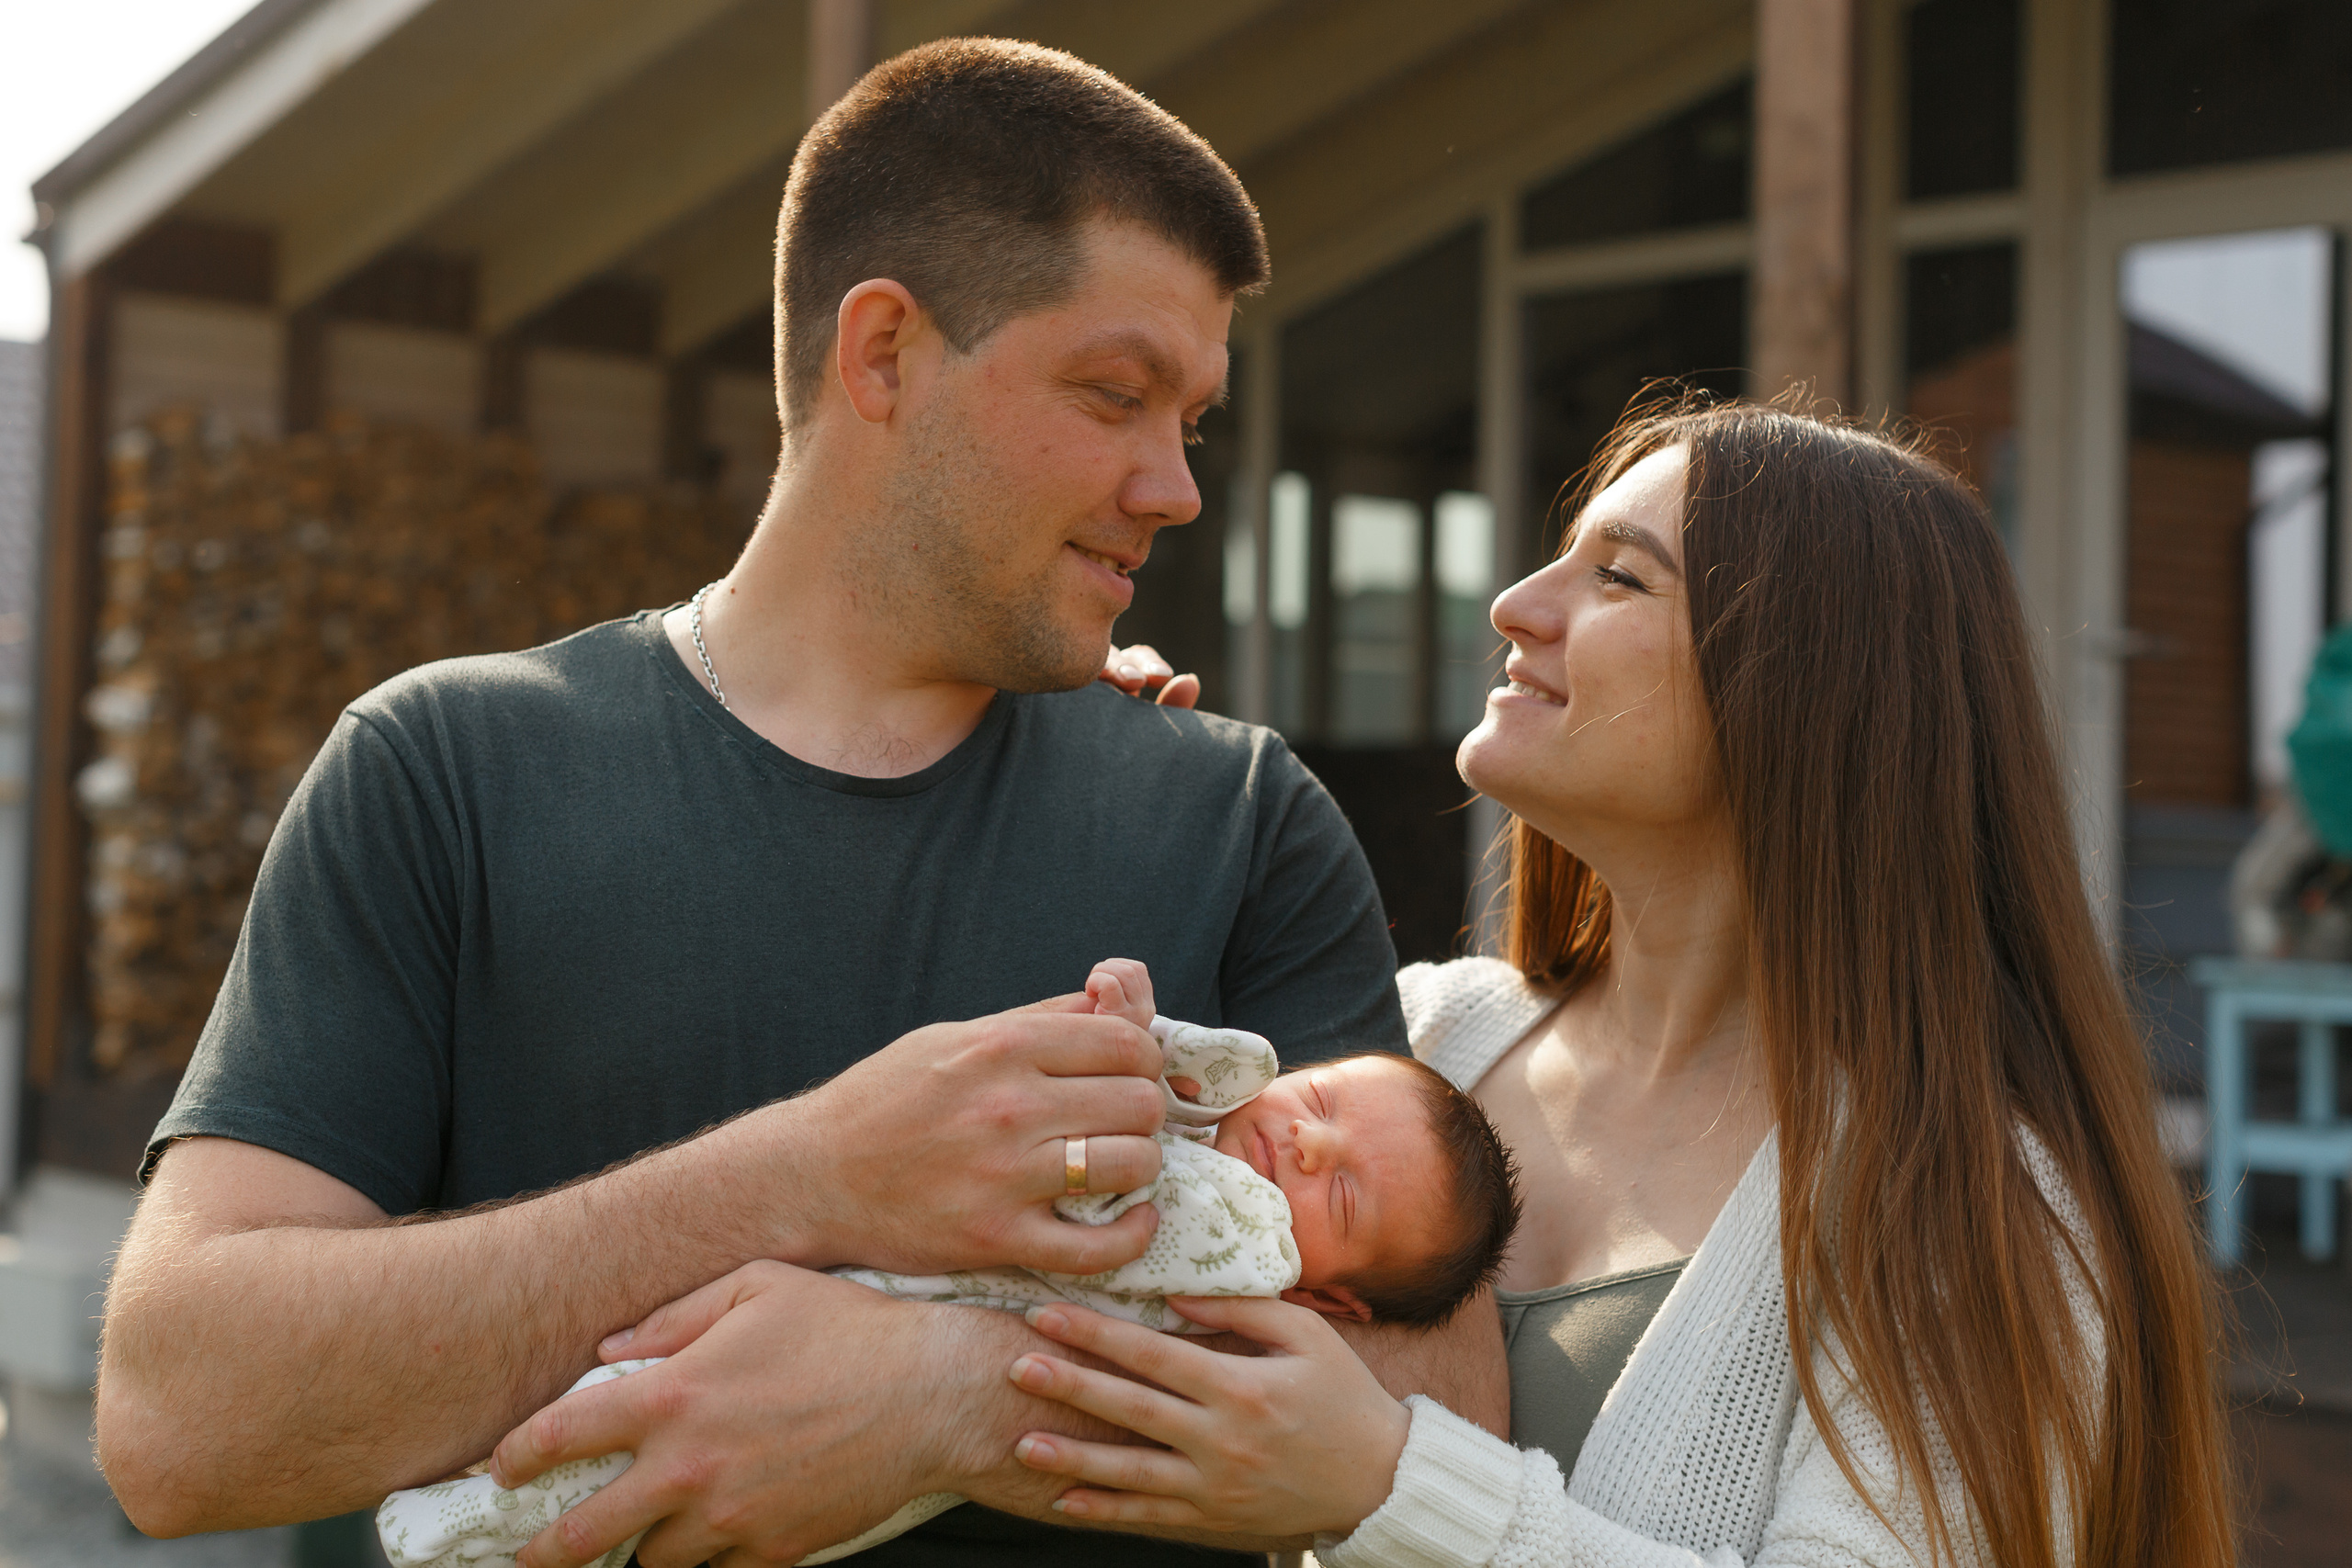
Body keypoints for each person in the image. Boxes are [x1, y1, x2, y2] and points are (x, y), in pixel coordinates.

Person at [94, 39, 1506, 1568]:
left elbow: (1441, 1430)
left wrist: (954, 1402)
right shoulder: (445, 770)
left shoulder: (1240, 820)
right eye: (1116, 393)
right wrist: (804, 1177)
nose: (1176, 485)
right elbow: (182, 1420)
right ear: (884, 353)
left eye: (1195, 421)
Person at [991, 400, 2236, 1567]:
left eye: (1618, 575)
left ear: (1810, 692)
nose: (1516, 604)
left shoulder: (1966, 1205)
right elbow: (1057, 1206)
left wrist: (1394, 1489)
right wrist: (1097, 793)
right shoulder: (1427, 1039)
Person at [377, 957, 1521, 1568]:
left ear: (1327, 1294)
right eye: (1318, 1101)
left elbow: (1146, 1218)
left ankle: (473, 1525)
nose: (1306, 1143)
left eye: (1341, 1191)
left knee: (645, 1440)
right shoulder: (1183, 1113)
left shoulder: (1241, 1255)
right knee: (637, 1383)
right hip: (859, 1290)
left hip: (901, 1375)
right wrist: (1132, 1039)